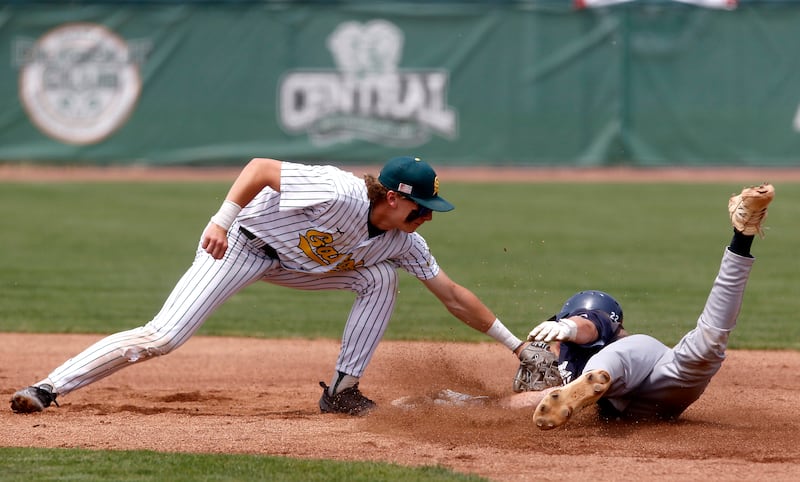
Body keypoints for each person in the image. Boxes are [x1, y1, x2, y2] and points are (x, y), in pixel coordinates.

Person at [10, 156, 530, 416]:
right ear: (392, 198)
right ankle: (49, 387)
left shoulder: (401, 242)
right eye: (422, 208)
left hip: (299, 265)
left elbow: (453, 295)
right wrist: (220, 218)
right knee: (163, 337)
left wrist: (517, 346)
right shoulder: (341, 191)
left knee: (378, 277)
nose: (428, 218)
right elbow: (260, 168)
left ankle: (342, 393)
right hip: (241, 245)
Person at [505, 183, 775, 430]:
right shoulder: (566, 366)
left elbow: (587, 326)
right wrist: (483, 404)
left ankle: (742, 237)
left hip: (648, 364)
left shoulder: (597, 326)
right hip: (643, 406)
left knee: (705, 341)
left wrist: (566, 325)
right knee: (709, 344)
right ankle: (589, 387)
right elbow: (534, 402)